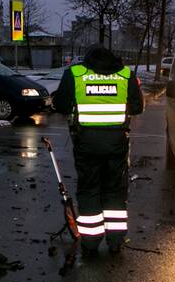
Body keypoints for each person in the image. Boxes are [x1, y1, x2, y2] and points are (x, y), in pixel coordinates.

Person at [52, 45, 144, 255]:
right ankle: (115, 241)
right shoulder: (125, 74)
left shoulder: (76, 73)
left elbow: (61, 105)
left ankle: (91, 242)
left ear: (87, 60)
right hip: (117, 143)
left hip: (86, 143)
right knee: (115, 190)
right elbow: (138, 107)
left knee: (89, 189)